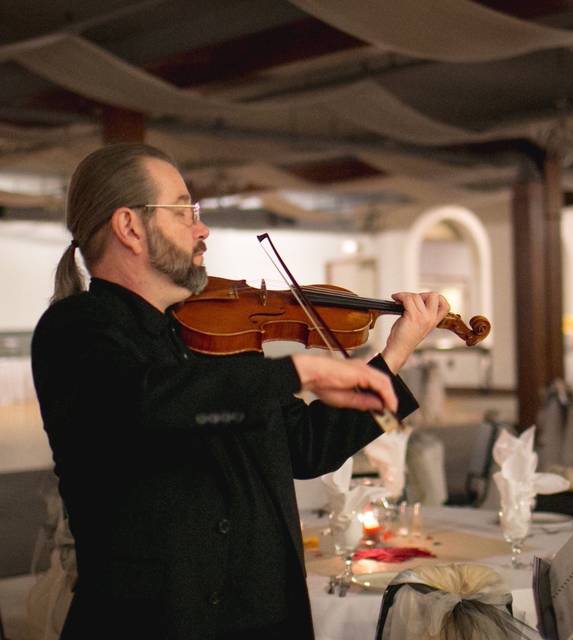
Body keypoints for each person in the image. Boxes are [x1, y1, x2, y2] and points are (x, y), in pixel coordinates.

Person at [30, 143, 450, 640]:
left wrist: (393, 357)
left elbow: (307, 450)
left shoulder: (220, 336)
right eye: (185, 210)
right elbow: (150, 401)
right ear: (129, 227)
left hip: (268, 622)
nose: (201, 227)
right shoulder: (78, 329)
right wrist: (297, 371)